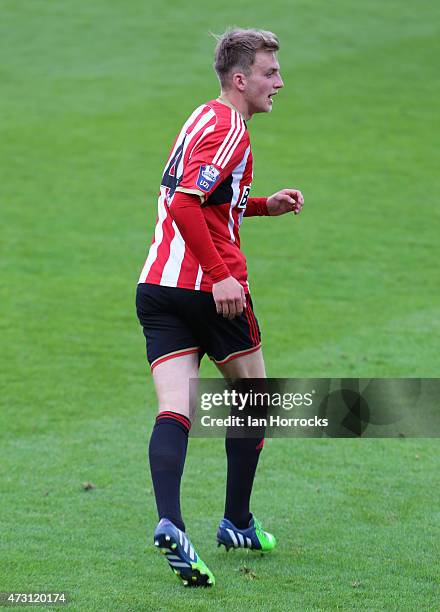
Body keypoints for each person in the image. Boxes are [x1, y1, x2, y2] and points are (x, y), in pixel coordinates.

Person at [136, 27, 304, 587]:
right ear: (240, 79)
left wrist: (262, 206)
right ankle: (235, 521)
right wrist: (219, 276)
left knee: (175, 410)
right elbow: (187, 203)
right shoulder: (231, 127)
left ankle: (171, 521)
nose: (278, 82)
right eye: (269, 73)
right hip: (212, 291)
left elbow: (204, 198)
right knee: (255, 399)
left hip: (157, 288)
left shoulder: (201, 118)